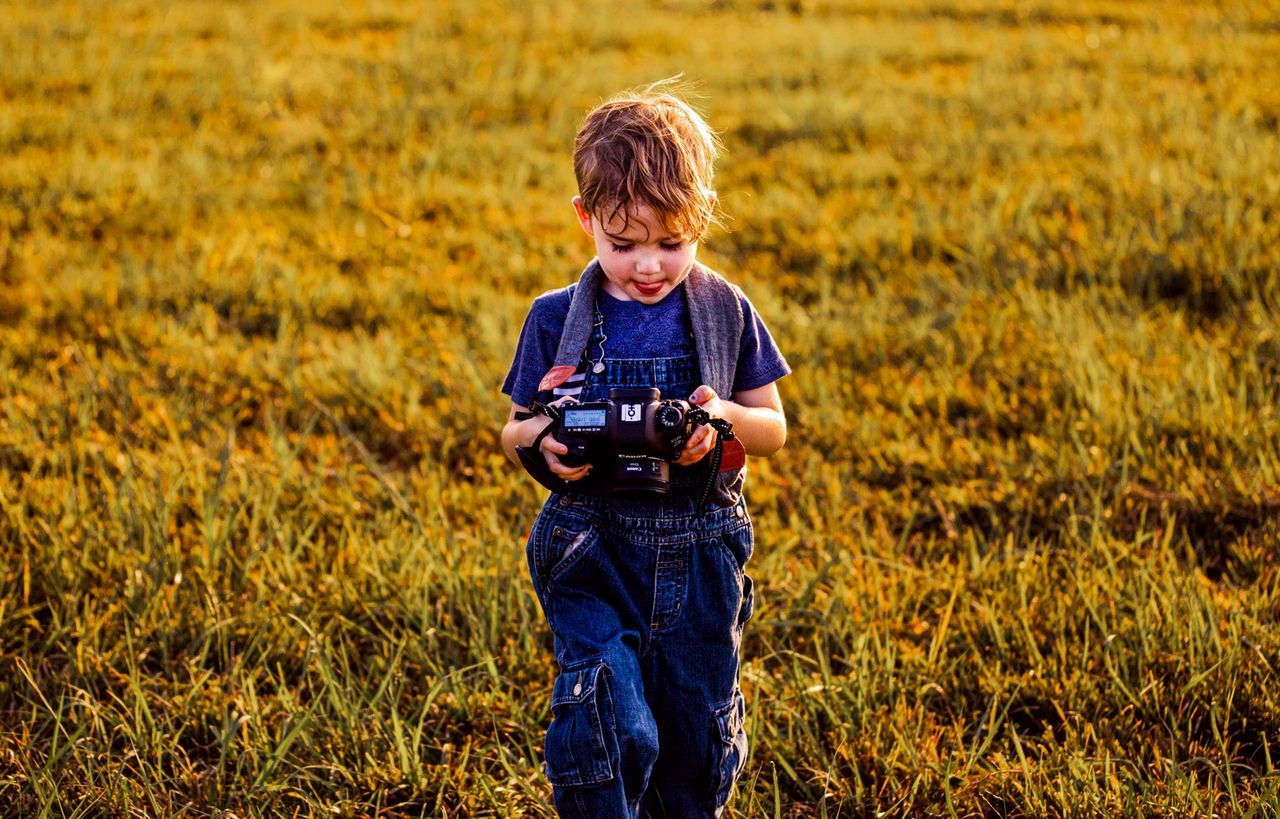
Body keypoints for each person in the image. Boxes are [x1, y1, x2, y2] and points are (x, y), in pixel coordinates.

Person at [500, 84, 790, 818]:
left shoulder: (723, 311)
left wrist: (717, 418)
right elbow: (514, 428)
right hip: (590, 548)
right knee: (607, 715)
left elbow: (772, 427)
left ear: (702, 216)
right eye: (623, 244)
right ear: (585, 218)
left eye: (672, 242)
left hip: (699, 556)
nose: (650, 266)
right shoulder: (556, 320)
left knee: (694, 738)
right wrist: (546, 444)